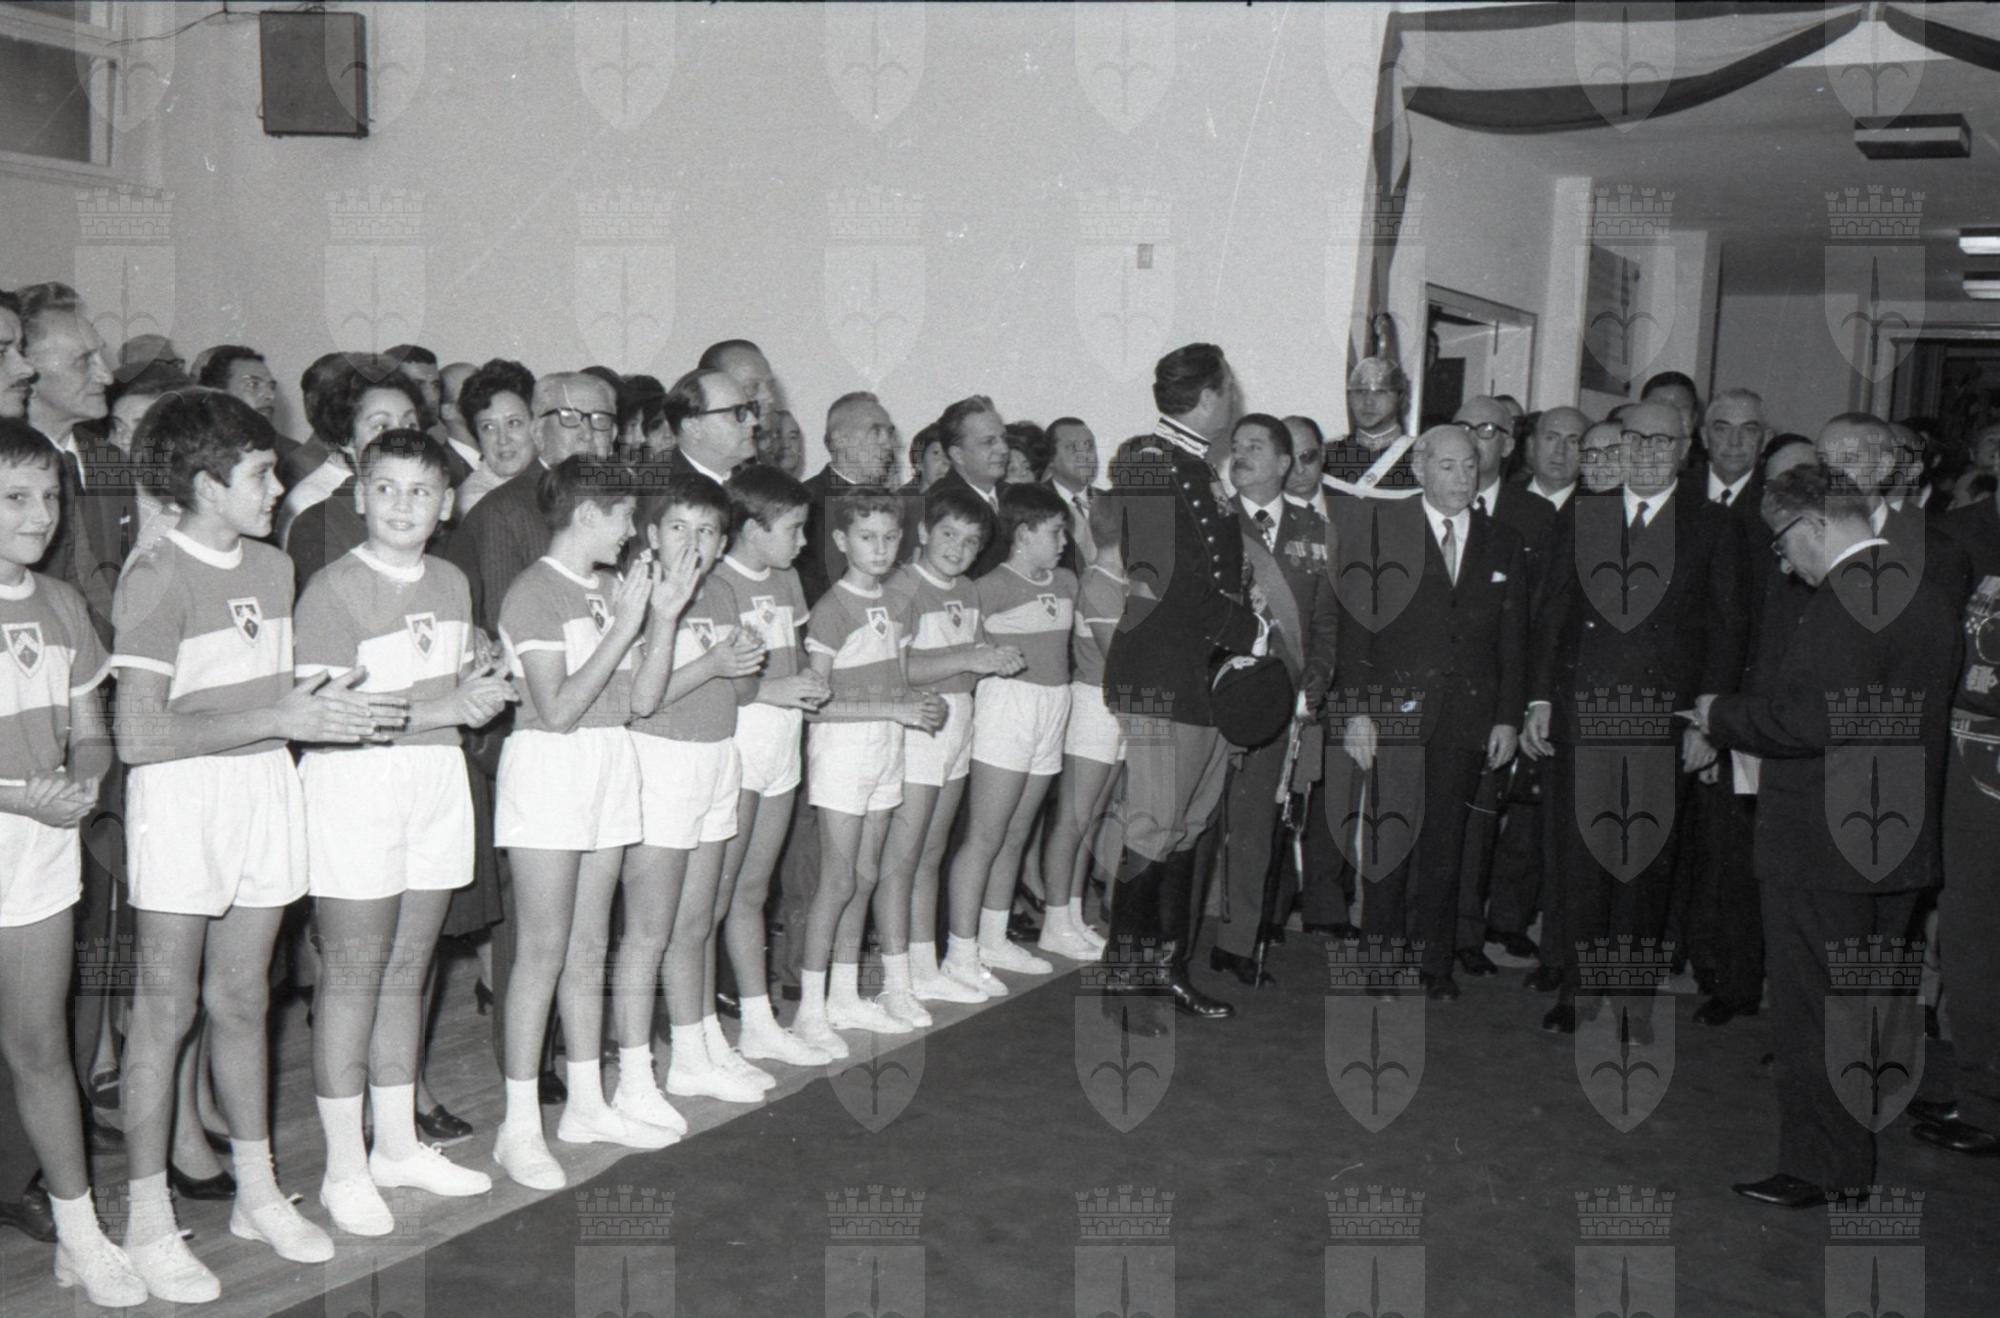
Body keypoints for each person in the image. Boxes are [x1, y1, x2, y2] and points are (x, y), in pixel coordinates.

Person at [113, 390, 393, 1300]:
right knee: (166, 1011)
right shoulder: (156, 575)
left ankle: (258, 1191)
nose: (278, 487)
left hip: (264, 789)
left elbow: (273, 697)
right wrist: (280, 716)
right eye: (260, 474)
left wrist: (323, 705)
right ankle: (147, 1219)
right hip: (182, 799)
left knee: (243, 998)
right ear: (205, 485)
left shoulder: (274, 568)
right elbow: (137, 736)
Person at [1690, 464, 1957, 1206]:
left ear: (1812, 524)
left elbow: (1809, 722)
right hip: (1894, 840)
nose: (1782, 563)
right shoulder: (1925, 592)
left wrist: (1719, 715)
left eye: (1782, 543)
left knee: (1813, 1010)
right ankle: (1844, 1161)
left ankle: (1819, 1169)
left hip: (1823, 845)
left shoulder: (1844, 601)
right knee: (1862, 1008)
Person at [295, 430, 514, 1236]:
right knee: (353, 976)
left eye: (421, 491)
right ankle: (342, 1169)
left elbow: (447, 687)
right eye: (385, 488)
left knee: (408, 971)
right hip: (356, 784)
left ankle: (395, 1146)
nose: (401, 505)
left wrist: (479, 687)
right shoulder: (330, 589)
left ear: (446, 504)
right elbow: (326, 714)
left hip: (434, 781)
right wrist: (445, 706)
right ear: (359, 495)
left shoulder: (453, 581)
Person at [1521, 399, 1748, 1033]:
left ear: (1685, 450)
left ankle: (1629, 1000)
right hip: (1583, 714)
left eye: (1661, 441)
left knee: (1644, 868)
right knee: (1580, 861)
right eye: (1636, 440)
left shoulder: (1712, 525)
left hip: (1661, 723)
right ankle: (1576, 990)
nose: (1646, 452)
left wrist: (1706, 722)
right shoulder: (1585, 515)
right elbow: (1553, 616)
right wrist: (1539, 700)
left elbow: (1728, 631)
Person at [491, 456, 681, 1191]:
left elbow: (641, 700)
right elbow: (558, 709)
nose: (633, 529)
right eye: (625, 515)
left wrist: (660, 620)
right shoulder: (532, 593)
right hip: (551, 769)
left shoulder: (608, 589)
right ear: (587, 513)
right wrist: (627, 624)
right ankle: (518, 1127)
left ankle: (587, 1105)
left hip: (609, 761)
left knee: (590, 947)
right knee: (540, 952)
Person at [0, 420, 147, 1306]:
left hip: (35, 853)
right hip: (17, 816)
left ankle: (80, 1236)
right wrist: (17, 794)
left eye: (50, 496)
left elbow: (92, 732)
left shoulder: (60, 604)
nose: (41, 515)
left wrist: (83, 783)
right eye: (16, 497)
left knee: (41, 1048)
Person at [1101, 343, 1265, 1031]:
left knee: (1189, 827)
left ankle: (1165, 969)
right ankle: (1122, 977)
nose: (1234, 398)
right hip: (1164, 674)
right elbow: (1165, 579)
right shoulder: (1149, 462)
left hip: (1203, 675)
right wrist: (1248, 626)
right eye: (1228, 388)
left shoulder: (1197, 467)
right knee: (1153, 826)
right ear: (1207, 398)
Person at [1332, 426, 1527, 1000]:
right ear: (1419, 470)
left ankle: (1432, 964)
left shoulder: (1502, 541)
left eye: (1469, 465)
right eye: (1447, 466)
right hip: (1393, 712)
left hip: (1467, 716)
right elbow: (1355, 632)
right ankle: (1379, 965)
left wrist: (1507, 717)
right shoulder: (1381, 532)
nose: (1463, 478)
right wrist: (1357, 712)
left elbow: (1513, 637)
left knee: (1447, 845)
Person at [615, 473, 772, 1123]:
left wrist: (746, 662)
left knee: (695, 922)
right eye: (678, 527)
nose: (693, 542)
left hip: (717, 756)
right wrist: (713, 664)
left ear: (723, 542)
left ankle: (692, 1053)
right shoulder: (638, 589)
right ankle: (633, 1077)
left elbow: (741, 692)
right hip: (662, 759)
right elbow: (638, 699)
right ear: (652, 534)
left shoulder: (725, 590)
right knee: (648, 931)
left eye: (707, 531)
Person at [794, 491, 946, 1054]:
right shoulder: (831, 610)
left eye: (889, 537)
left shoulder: (898, 604)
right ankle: (809, 1011)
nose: (880, 548)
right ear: (841, 541)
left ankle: (844, 996)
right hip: (842, 751)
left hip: (886, 745)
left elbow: (898, 682)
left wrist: (921, 703)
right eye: (866, 537)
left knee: (865, 874)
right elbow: (815, 703)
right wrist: (893, 708)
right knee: (837, 881)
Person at [879, 485, 1027, 1008]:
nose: (957, 549)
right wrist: (969, 658)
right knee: (902, 857)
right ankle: (896, 979)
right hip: (918, 723)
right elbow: (897, 668)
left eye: (970, 541)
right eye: (948, 535)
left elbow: (970, 655)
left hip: (957, 722)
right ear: (923, 532)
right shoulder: (902, 586)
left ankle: (926, 967)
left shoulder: (966, 588)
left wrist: (992, 658)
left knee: (931, 852)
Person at [708, 467, 832, 1063]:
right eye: (793, 529)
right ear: (752, 528)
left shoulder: (786, 579)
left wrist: (808, 679)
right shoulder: (717, 584)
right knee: (714, 896)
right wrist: (773, 691)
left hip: (782, 745)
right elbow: (716, 679)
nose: (802, 542)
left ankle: (759, 1022)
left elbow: (796, 654)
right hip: (740, 742)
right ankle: (701, 1031)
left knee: (754, 890)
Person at [1208, 414, 1336, 984]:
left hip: (1278, 701)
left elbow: (1327, 624)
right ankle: (1176, 937)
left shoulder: (1317, 532)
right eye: (1236, 446)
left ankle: (1236, 943)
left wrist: (1315, 684)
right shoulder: (1212, 521)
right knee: (1196, 823)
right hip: (1214, 693)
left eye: (1255, 446)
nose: (1241, 454)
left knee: (1256, 825)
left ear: (1285, 463)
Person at [939, 484, 1079, 992]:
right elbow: (960, 648)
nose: (1063, 541)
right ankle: (960, 952)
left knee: (1018, 832)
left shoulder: (1066, 581)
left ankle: (995, 939)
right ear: (1023, 534)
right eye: (1055, 532)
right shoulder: (990, 587)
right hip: (1009, 707)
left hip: (1053, 706)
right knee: (986, 835)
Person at [1040, 488, 1128, 957]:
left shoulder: (1122, 582)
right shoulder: (1098, 584)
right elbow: (1122, 657)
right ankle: (1055, 921)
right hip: (1094, 704)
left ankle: (1072, 916)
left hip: (1116, 710)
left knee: (1090, 819)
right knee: (1073, 820)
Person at [284, 354, 431, 586]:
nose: (402, 438)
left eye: (410, 424)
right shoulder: (320, 524)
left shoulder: (433, 505)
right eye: (382, 426)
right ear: (347, 439)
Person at [798, 391, 901, 603]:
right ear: (840, 440)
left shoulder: (891, 503)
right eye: (875, 432)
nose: (888, 444)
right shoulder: (807, 502)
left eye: (889, 433)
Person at [930, 396, 1012, 579]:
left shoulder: (1017, 495)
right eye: (989, 441)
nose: (1004, 449)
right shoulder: (938, 502)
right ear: (958, 455)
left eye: (1004, 438)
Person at [1323, 355, 1419, 500]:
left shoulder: (1421, 457)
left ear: (1401, 399)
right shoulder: (1326, 455)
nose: (1368, 401)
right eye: (1360, 391)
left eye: (1380, 392)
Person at [452, 358, 538, 516]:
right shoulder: (474, 501)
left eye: (513, 423)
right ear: (477, 436)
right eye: (488, 427)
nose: (502, 439)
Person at [664, 367, 758, 486]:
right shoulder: (659, 490)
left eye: (749, 408)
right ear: (693, 428)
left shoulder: (758, 475)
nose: (753, 421)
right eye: (737, 412)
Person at [1044, 416, 1098, 574]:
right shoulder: (1037, 502)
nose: (1085, 455)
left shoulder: (1113, 502)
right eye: (1073, 447)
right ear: (1050, 458)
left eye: (1089, 446)